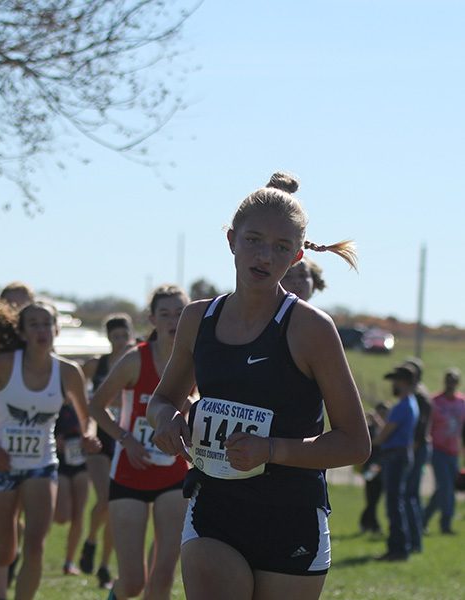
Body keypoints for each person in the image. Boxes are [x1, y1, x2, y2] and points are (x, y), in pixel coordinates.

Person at [148, 172, 370, 599]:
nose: (265, 256)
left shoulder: (311, 329)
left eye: (281, 247)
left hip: (291, 516)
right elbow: (162, 399)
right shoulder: (198, 319)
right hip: (214, 510)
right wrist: (167, 420)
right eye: (253, 240)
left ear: (298, 255)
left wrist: (270, 450)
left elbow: (355, 444)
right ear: (231, 239)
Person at [0, 301, 98, 600]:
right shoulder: (5, 364)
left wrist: (88, 435)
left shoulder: (68, 372)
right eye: (33, 323)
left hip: (41, 465)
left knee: (35, 545)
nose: (41, 330)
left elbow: (88, 418)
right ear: (22, 331)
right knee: (5, 552)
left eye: (46, 323)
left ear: (56, 329)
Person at [89, 286, 191, 600]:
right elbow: (97, 405)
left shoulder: (196, 358)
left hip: (174, 475)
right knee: (133, 582)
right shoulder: (136, 358)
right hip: (129, 473)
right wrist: (126, 438)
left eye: (179, 313)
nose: (173, 320)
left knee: (162, 576)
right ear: (152, 319)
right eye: (165, 314)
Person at [79, 313, 134, 588]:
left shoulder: (138, 363)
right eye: (115, 338)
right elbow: (84, 402)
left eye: (125, 336)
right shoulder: (95, 365)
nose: (121, 342)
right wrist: (86, 431)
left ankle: (103, 564)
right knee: (106, 498)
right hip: (100, 440)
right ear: (108, 339)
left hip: (125, 440)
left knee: (115, 506)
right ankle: (90, 540)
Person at [373, 363, 420, 561]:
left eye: (395, 381)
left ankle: (398, 549)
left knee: (394, 504)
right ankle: (401, 546)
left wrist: (371, 440)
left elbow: (383, 436)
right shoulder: (410, 403)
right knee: (396, 501)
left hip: (395, 457)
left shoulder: (402, 406)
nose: (393, 384)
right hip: (401, 455)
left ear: (403, 382)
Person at [423, 367, 465, 534]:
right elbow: (427, 425)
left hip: (454, 451)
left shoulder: (462, 403)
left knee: (445, 489)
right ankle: (445, 525)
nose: (451, 384)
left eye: (454, 381)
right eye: (448, 381)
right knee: (446, 487)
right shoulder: (435, 401)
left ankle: (423, 519)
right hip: (437, 450)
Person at [53, 400, 91, 576]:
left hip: (80, 464)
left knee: (79, 514)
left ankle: (69, 562)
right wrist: (55, 440)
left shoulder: (84, 405)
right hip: (59, 464)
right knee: (62, 516)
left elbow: (91, 426)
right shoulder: (54, 403)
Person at [401, 356, 430, 552]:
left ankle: (413, 541)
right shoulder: (421, 393)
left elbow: (419, 428)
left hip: (417, 448)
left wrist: (410, 450)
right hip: (419, 448)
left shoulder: (418, 395)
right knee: (412, 495)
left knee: (409, 495)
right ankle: (414, 540)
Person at [359, 402, 389, 534]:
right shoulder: (371, 428)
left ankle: (368, 523)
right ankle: (372, 525)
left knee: (375, 497)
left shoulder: (385, 427)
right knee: (371, 496)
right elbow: (375, 441)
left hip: (381, 466)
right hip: (372, 466)